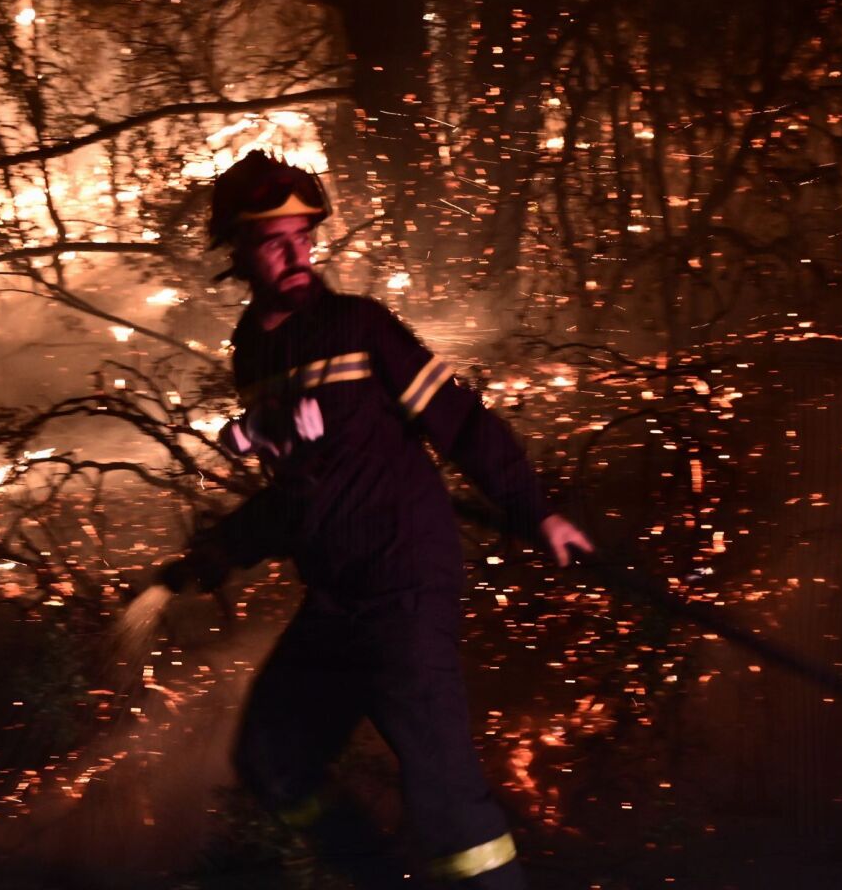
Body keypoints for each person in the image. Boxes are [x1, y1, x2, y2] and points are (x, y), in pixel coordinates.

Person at [161, 150, 592, 889]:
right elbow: (301, 490)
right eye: (274, 241)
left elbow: (459, 423)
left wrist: (537, 512)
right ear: (236, 249)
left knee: (446, 798)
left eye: (304, 236)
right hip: (336, 599)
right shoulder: (254, 351)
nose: (297, 254)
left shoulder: (362, 327)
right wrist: (221, 552)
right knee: (273, 754)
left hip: (404, 585)